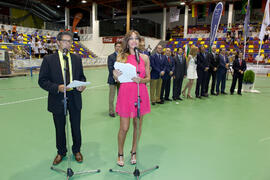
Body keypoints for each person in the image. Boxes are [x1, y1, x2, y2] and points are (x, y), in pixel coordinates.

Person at [38, 32, 86, 165]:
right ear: (58, 42)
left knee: (76, 127)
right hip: (58, 97)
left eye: (70, 41)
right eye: (65, 41)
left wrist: (82, 85)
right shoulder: (49, 59)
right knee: (60, 127)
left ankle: (76, 150)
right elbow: (42, 81)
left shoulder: (76, 58)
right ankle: (61, 152)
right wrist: (56, 87)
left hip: (74, 96)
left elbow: (82, 77)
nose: (68, 44)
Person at [113, 30, 151, 167]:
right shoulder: (121, 56)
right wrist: (116, 76)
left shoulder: (145, 58)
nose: (134, 41)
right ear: (127, 41)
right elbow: (117, 77)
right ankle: (120, 153)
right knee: (124, 127)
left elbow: (148, 78)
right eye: (131, 38)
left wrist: (141, 80)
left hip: (140, 92)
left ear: (139, 41)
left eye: (136, 38)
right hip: (125, 93)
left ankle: (133, 151)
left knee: (137, 126)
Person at [107, 42, 121, 117]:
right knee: (111, 97)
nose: (118, 48)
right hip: (113, 79)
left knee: (120, 96)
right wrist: (116, 76)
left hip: (121, 80)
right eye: (117, 46)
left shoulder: (123, 56)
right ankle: (111, 111)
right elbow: (110, 68)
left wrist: (120, 77)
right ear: (114, 47)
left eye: (119, 46)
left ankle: (118, 110)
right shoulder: (110, 56)